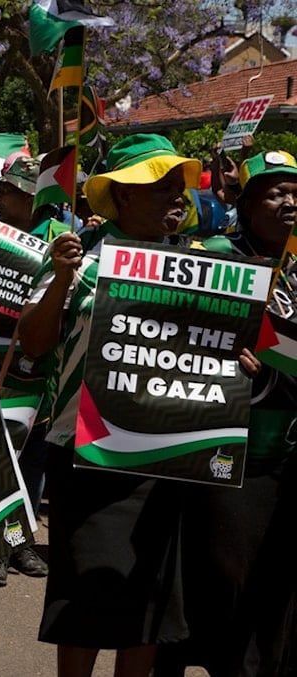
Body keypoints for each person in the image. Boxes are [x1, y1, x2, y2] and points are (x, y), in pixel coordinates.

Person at [19, 133, 258, 677]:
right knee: (85, 594)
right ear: (122, 195)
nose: (179, 197)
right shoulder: (78, 258)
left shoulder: (205, 268)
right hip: (88, 455)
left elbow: (221, 356)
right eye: (163, 187)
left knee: (150, 601)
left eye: (180, 187)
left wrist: (239, 366)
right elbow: (33, 345)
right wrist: (59, 280)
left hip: (167, 460)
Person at [153, 151, 297, 677]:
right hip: (220, 451)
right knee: (219, 579)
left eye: (296, 194)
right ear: (246, 201)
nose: (289, 204)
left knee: (274, 592)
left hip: (284, 457)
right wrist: (223, 351)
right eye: (276, 193)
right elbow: (170, 335)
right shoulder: (216, 256)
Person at [0, 154, 50, 587]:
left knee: (21, 458)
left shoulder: (56, 236)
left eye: (29, 193)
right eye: (16, 191)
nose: (23, 199)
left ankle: (15, 542)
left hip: (28, 365)